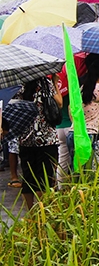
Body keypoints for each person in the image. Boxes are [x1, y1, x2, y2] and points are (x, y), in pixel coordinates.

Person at [15, 76, 62, 209]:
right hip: (46, 139)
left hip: (25, 139)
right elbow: (59, 103)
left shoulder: (19, 86)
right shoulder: (45, 83)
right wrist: (55, 83)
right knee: (45, 177)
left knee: (28, 177)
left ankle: (31, 213)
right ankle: (44, 212)